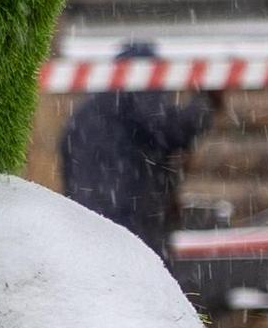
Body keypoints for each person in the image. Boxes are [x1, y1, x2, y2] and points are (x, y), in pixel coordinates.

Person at [57, 37, 215, 255]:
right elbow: (170, 129)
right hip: (130, 219)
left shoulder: (86, 113)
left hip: (87, 222)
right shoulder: (137, 95)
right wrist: (204, 105)